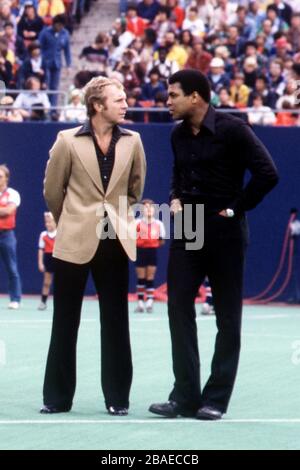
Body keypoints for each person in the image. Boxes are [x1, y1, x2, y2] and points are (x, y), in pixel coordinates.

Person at [149, 70, 279, 421]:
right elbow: (178, 172)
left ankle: (216, 398)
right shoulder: (177, 134)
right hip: (189, 224)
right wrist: (175, 196)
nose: (168, 101)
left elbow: (269, 173)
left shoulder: (234, 129)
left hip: (225, 227)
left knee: (227, 317)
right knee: (177, 307)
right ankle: (184, 396)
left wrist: (235, 209)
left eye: (173, 94)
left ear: (196, 97)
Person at [40, 76, 146, 416]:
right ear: (97, 106)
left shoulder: (134, 141)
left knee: (116, 321)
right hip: (73, 239)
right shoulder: (67, 140)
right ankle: (57, 398)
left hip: (114, 240)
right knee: (65, 320)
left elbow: (135, 189)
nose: (125, 103)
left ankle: (118, 398)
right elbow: (52, 190)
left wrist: (118, 217)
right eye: (118, 99)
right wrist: (71, 219)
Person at [135, 199, 166, 314]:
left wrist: (152, 242)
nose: (148, 209)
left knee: (150, 277)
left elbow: (162, 241)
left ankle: (149, 301)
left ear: (154, 210)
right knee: (141, 277)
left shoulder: (159, 224)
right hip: (140, 251)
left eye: (151, 207)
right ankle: (140, 302)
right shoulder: (136, 223)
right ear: (141, 209)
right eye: (145, 207)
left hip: (152, 252)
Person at [0, 164, 22, 310]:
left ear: (6, 178)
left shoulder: (13, 194)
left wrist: (4, 210)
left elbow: (8, 211)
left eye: (0, 176)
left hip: (7, 235)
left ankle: (15, 299)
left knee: (12, 268)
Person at [37, 212, 57, 310]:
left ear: (56, 222)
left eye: (50, 222)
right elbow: (41, 249)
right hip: (48, 259)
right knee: (46, 282)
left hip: (58, 259)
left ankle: (60, 302)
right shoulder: (43, 235)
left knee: (60, 283)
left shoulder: (59, 233)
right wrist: (40, 263)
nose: (48, 224)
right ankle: (43, 302)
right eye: (46, 222)